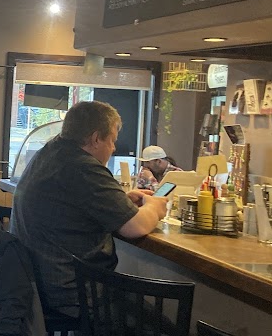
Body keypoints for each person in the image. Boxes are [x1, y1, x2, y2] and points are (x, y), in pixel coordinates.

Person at [10, 101, 168, 318]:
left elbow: (74, 205)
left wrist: (120, 201)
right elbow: (136, 227)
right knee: (168, 335)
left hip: (39, 282)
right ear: (95, 138)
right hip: (74, 292)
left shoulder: (50, 152)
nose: (113, 148)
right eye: (112, 140)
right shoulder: (83, 166)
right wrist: (155, 207)